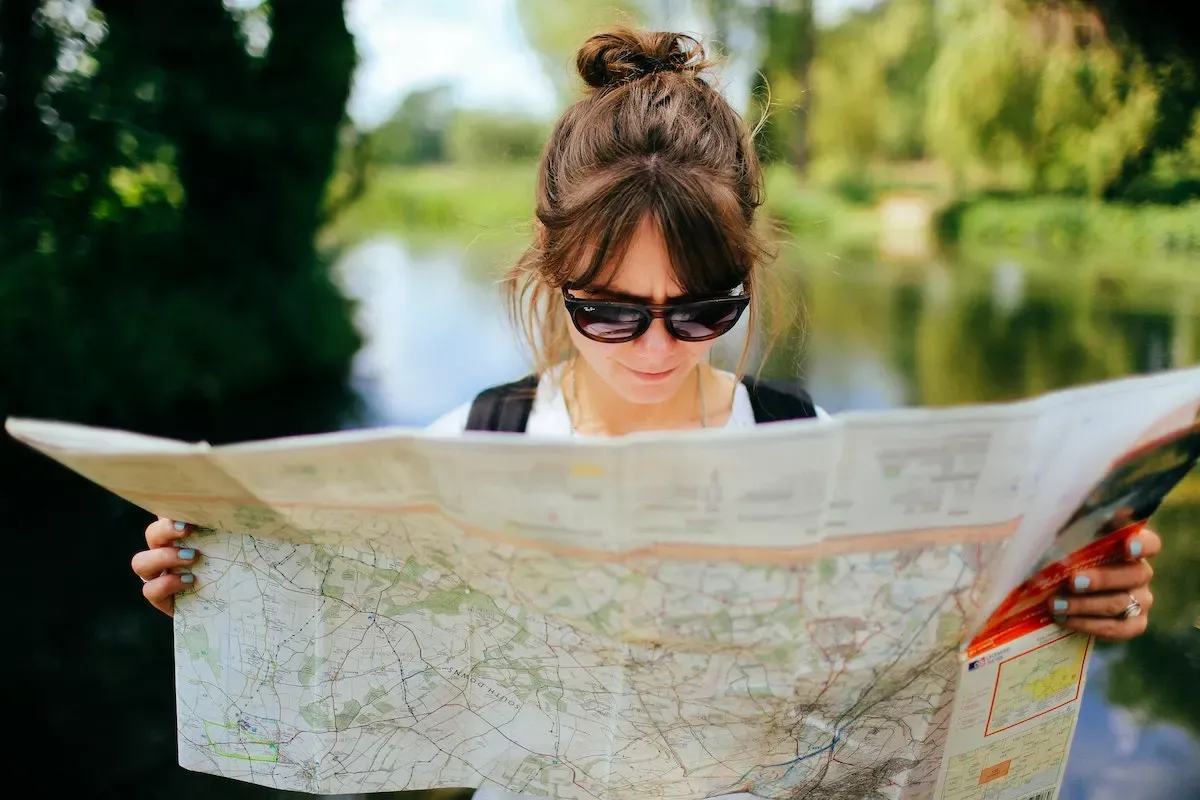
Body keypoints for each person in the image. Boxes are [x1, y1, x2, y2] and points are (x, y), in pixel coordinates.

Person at [129, 23, 1160, 794]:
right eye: (611, 312)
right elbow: (344, 650)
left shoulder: (815, 452)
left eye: (701, 309)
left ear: (748, 279)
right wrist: (220, 586)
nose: (660, 351)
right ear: (552, 273)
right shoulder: (469, 449)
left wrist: (1072, 603)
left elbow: (930, 670)